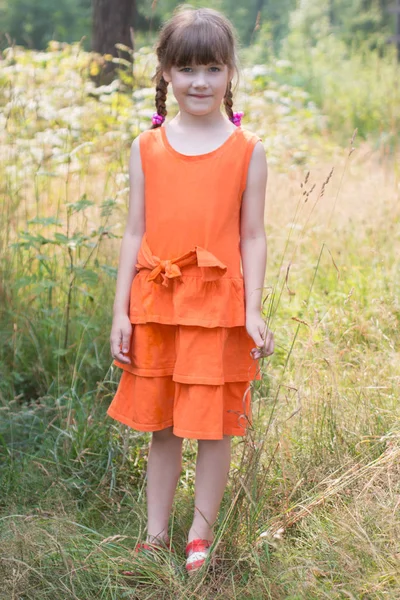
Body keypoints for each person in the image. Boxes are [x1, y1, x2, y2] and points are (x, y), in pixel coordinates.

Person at [107, 5, 274, 575]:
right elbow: (134, 231)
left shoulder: (248, 150)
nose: (199, 81)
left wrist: (252, 310)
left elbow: (252, 236)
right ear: (165, 74)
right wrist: (120, 312)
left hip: (218, 309)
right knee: (163, 424)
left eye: (212, 68)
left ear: (230, 73)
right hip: (157, 303)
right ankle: (155, 534)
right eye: (186, 69)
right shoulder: (146, 147)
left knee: (212, 425)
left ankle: (198, 535)